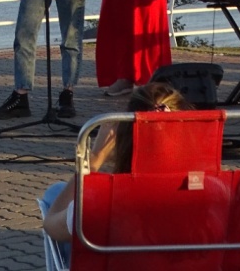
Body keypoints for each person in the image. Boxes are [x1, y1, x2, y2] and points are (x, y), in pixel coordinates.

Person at [40, 82, 190, 266]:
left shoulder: (102, 201)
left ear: (124, 137)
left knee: (56, 193)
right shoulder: (216, 191)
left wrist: (93, 163)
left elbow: (50, 225)